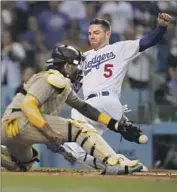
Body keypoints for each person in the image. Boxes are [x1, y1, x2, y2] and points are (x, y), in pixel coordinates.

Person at [51, 13, 172, 172]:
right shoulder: (84, 57)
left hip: (103, 101)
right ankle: (122, 164)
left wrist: (161, 28)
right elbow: (75, 84)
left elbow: (147, 42)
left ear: (107, 34)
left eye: (96, 33)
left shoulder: (119, 48)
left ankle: (64, 142)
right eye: (89, 33)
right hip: (101, 108)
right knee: (81, 151)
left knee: (75, 119)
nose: (92, 36)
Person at [1, 45, 143, 174]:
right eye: (76, 65)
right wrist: (48, 131)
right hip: (20, 123)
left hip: (10, 128)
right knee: (80, 128)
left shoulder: (60, 83)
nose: (79, 70)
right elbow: (28, 105)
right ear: (68, 66)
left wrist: (114, 124)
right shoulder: (53, 79)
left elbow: (85, 108)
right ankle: (113, 162)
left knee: (22, 165)